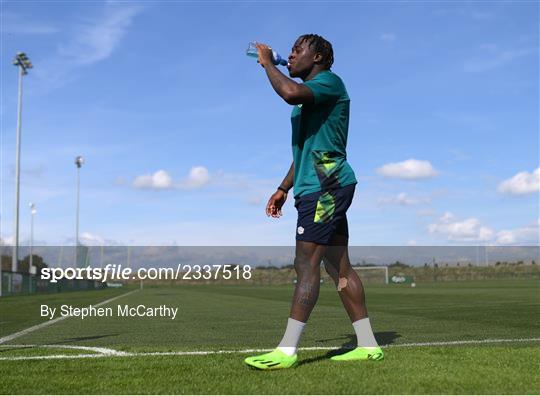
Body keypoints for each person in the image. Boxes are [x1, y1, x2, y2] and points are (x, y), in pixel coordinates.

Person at [244, 34, 384, 370]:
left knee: (306, 263)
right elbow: (306, 149)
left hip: (326, 187)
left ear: (318, 56)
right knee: (338, 267)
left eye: (297, 51)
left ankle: (286, 351)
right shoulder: (313, 96)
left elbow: (289, 93)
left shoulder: (329, 83)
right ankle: (367, 345)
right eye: (288, 52)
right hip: (320, 185)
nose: (290, 57)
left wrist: (267, 63)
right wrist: (283, 188)